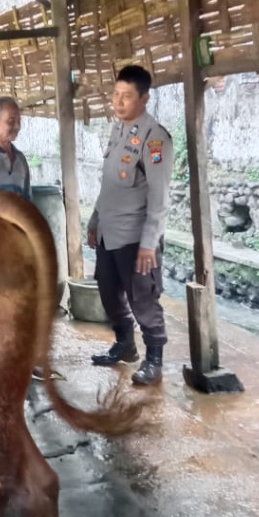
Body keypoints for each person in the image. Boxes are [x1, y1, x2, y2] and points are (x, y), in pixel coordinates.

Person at [88, 65, 173, 386]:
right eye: (116, 95)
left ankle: (155, 361)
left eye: (127, 96)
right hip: (110, 234)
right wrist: (95, 221)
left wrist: (150, 243)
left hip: (136, 238)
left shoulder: (155, 140)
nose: (119, 102)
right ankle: (125, 344)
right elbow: (109, 186)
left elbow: (160, 196)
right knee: (108, 292)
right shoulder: (118, 131)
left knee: (143, 299)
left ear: (145, 98)